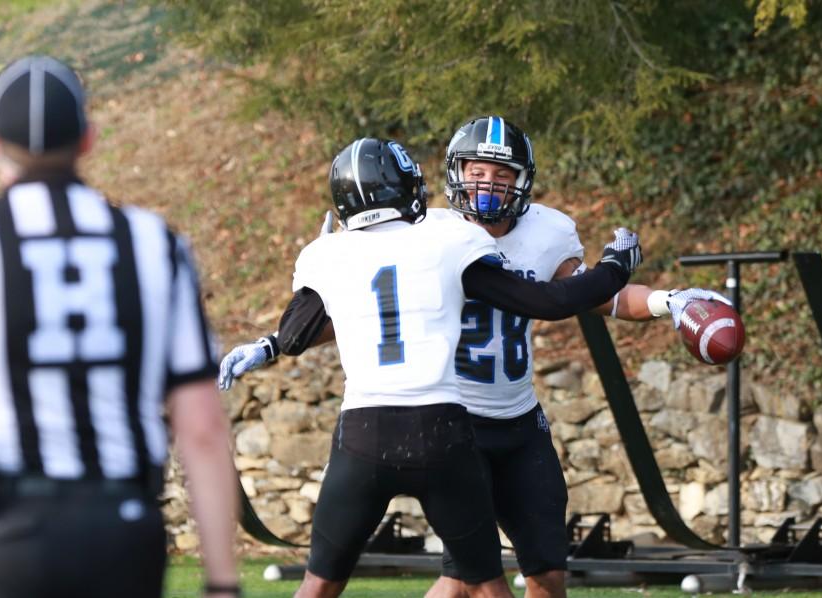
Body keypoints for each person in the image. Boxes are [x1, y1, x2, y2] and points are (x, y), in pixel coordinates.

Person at [220, 119, 726, 598]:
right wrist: (271, 343)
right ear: (453, 174)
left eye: (500, 173)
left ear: (523, 180)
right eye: (475, 172)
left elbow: (586, 295)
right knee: (469, 580)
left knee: (547, 572)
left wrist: (667, 300)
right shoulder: (434, 232)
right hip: (454, 421)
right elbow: (369, 312)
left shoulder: (545, 232)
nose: (486, 184)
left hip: (516, 420)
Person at [0, 55, 239, 598]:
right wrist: (223, 582)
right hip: (119, 532)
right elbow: (202, 429)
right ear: (88, 140)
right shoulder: (154, 246)